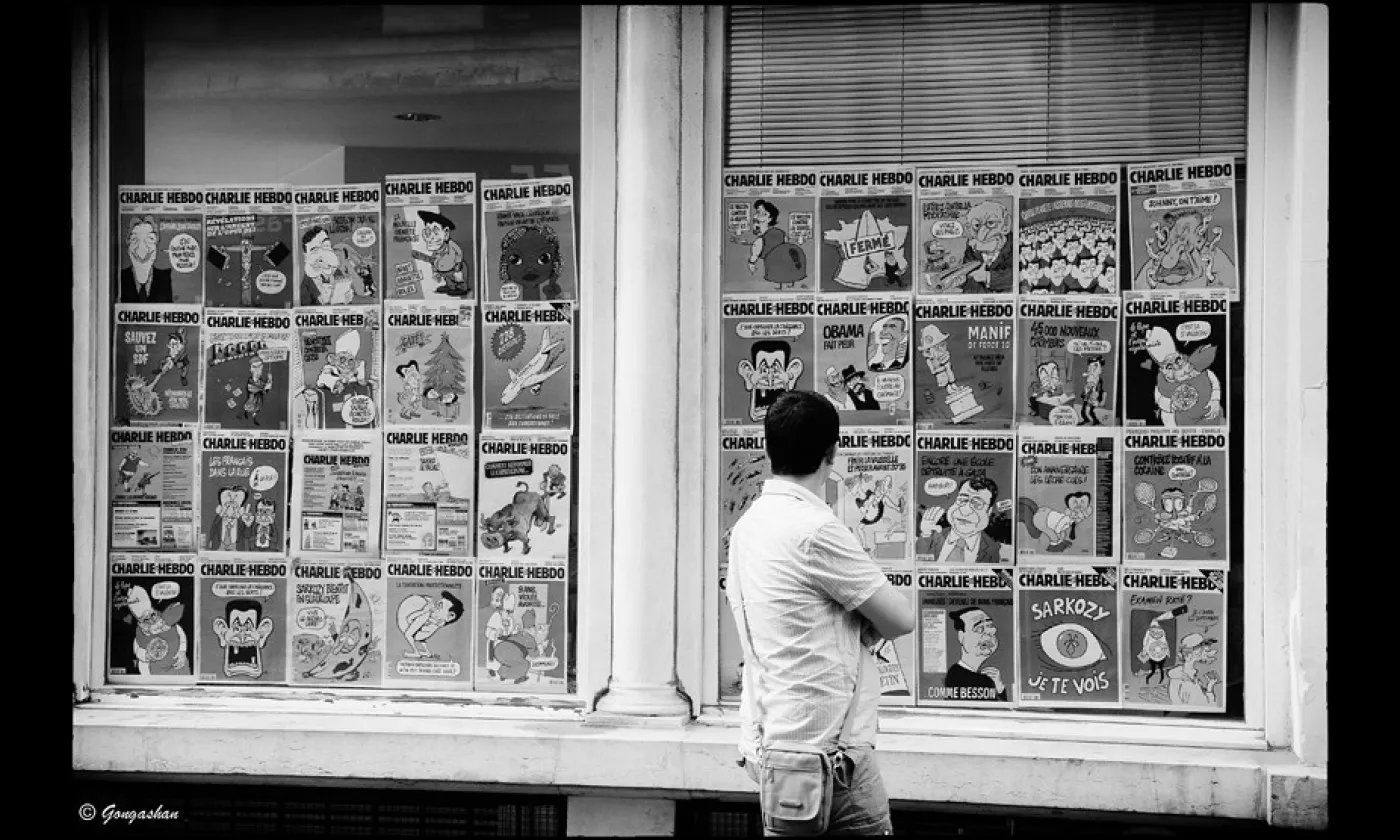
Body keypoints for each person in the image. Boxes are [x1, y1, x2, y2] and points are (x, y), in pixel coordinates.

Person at [727, 390, 914, 835]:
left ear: (767, 448)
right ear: (833, 451)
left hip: (773, 746)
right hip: (832, 757)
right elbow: (900, 620)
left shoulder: (749, 526)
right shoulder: (816, 531)